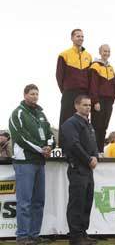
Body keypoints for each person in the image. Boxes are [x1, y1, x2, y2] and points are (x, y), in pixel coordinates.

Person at [8, 84, 54, 245]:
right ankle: (22, 237)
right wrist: (41, 149)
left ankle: (34, 235)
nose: (35, 96)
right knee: (24, 202)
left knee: (38, 201)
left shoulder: (41, 114)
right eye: (32, 94)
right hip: (24, 162)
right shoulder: (17, 113)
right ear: (25, 95)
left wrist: (49, 146)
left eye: (37, 94)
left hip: (39, 162)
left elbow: (50, 134)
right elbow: (21, 137)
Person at [61, 95, 98, 245]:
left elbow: (94, 144)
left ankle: (83, 233)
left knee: (86, 202)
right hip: (78, 168)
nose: (88, 108)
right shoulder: (71, 123)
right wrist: (88, 159)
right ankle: (75, 237)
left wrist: (95, 156)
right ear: (76, 106)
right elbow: (73, 145)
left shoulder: (88, 123)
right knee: (77, 203)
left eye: (89, 105)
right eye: (84, 105)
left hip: (88, 170)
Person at [56, 29, 92, 140]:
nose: (80, 38)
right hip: (69, 92)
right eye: (78, 36)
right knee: (65, 119)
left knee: (83, 120)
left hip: (83, 93)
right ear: (72, 38)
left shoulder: (88, 56)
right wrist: (66, 90)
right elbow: (59, 75)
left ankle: (83, 148)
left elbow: (90, 77)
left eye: (82, 36)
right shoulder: (64, 54)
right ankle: (63, 148)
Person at [89, 44, 115, 153]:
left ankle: (100, 151)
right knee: (96, 127)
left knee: (104, 127)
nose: (107, 53)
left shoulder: (111, 67)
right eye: (105, 51)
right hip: (99, 100)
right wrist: (95, 101)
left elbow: (113, 85)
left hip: (109, 101)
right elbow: (93, 85)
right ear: (100, 52)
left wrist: (113, 100)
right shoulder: (95, 66)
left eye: (108, 51)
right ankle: (93, 151)